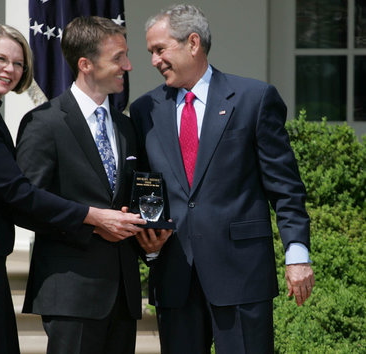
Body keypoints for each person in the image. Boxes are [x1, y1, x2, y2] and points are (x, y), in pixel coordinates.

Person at [0, 22, 145, 354]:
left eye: (19, 63)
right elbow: (18, 193)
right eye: (1, 59)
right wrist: (93, 217)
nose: (10, 69)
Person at [129, 4, 315, 353]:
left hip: (241, 275)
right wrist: (148, 247)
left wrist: (297, 254)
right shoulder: (144, 110)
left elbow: (285, 187)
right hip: (175, 277)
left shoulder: (253, 99)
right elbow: (144, 188)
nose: (154, 60)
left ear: (193, 43)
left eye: (159, 49)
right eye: (151, 52)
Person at [16, 16, 171, 354]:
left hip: (123, 294)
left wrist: (150, 238)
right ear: (85, 64)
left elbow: (132, 200)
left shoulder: (126, 127)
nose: (128, 66)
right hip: (71, 294)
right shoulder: (43, 124)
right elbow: (26, 204)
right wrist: (92, 220)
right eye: (118, 57)